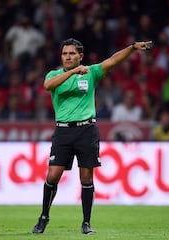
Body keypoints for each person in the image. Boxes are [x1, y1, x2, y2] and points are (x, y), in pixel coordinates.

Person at [32, 38, 152, 235]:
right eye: (64, 54)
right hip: (63, 131)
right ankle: (44, 216)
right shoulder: (54, 74)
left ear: (80, 56)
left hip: (87, 130)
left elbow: (113, 61)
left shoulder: (91, 73)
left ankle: (86, 223)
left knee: (86, 177)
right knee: (53, 175)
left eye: (72, 53)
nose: (67, 57)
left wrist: (131, 48)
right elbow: (47, 86)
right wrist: (72, 72)